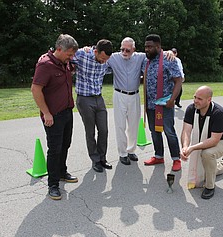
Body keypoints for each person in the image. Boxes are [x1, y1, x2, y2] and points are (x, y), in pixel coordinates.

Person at [31, 34, 79, 200]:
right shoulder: (45, 64)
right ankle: (53, 185)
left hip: (67, 112)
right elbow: (35, 89)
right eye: (69, 54)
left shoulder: (64, 62)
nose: (71, 57)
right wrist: (46, 113)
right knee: (54, 149)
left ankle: (62, 172)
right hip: (53, 116)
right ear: (59, 49)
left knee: (65, 144)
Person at [180, 86, 223, 199]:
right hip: (203, 140)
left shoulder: (219, 113)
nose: (196, 101)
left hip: (222, 142)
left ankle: (209, 187)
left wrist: (192, 148)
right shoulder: (191, 109)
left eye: (200, 99)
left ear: (209, 100)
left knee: (207, 154)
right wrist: (185, 147)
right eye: (195, 97)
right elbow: (186, 131)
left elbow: (214, 140)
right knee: (206, 168)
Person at [142, 34, 182, 171]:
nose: (147, 49)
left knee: (169, 131)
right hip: (150, 105)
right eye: (146, 46)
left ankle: (176, 159)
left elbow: (178, 80)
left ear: (158, 47)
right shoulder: (146, 61)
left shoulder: (169, 59)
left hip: (165, 104)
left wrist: (172, 100)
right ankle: (158, 156)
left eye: (150, 47)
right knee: (154, 131)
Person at [73, 39, 114, 173]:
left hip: (99, 98)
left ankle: (103, 158)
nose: (104, 62)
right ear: (96, 51)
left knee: (104, 130)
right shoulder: (81, 55)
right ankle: (95, 160)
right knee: (90, 132)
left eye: (106, 60)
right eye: (102, 58)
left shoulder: (106, 59)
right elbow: (63, 55)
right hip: (84, 99)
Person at [107, 37, 146, 165]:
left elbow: (156, 55)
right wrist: (87, 49)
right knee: (120, 125)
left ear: (133, 49)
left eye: (127, 50)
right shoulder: (113, 58)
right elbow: (97, 53)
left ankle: (131, 150)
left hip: (134, 95)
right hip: (119, 94)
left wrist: (168, 53)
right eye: (122, 49)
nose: (124, 52)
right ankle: (122, 153)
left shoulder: (140, 57)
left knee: (134, 125)